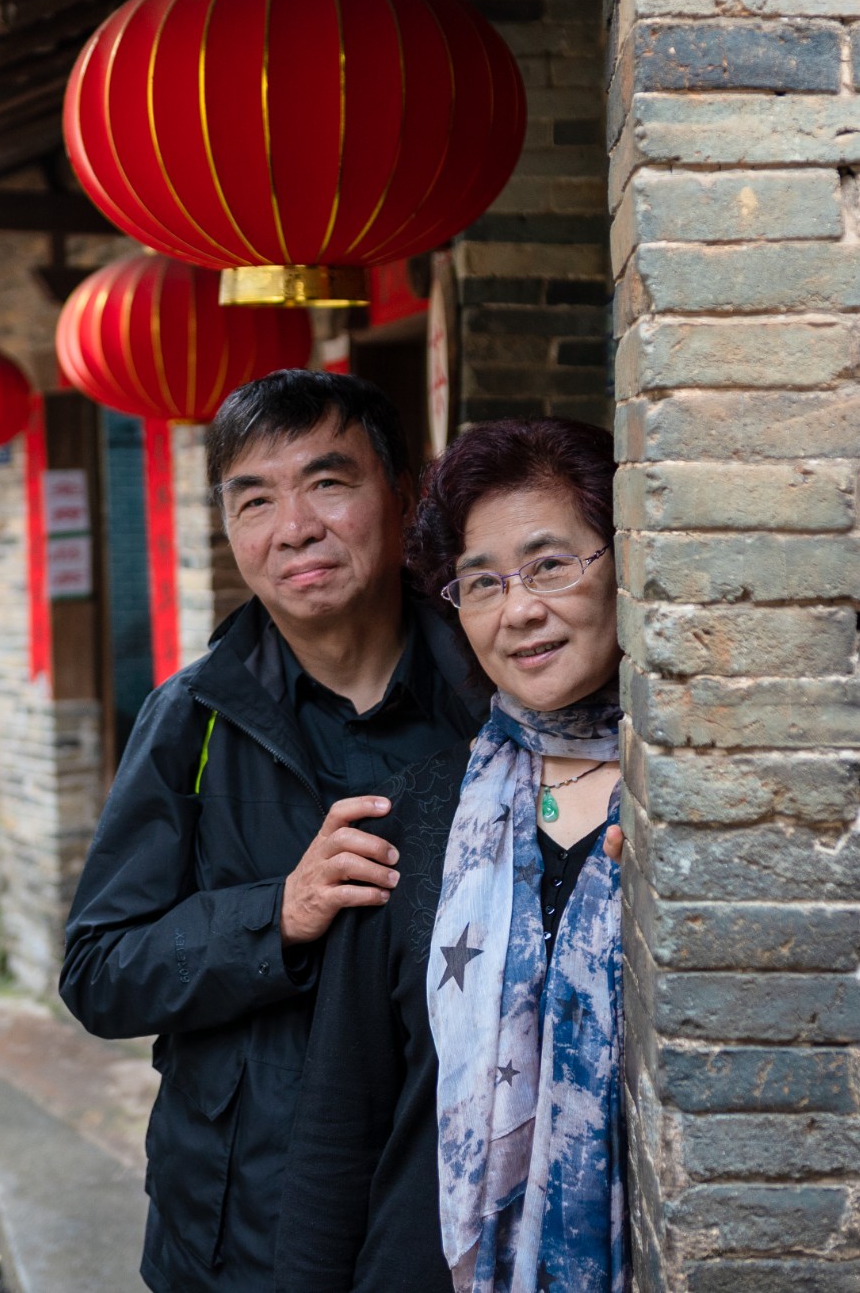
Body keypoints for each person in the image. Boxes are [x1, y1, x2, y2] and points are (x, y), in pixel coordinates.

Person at [60, 370, 488, 1293]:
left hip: (449, 1216)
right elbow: (99, 971)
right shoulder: (193, 719)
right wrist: (276, 915)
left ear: (402, 492)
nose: (294, 527)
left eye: (328, 483)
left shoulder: (490, 698)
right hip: (237, 1233)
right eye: (255, 499)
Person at [274, 416, 628, 1293]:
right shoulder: (409, 820)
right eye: (481, 583)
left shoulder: (692, 816)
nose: (520, 610)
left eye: (552, 565)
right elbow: (340, 1124)